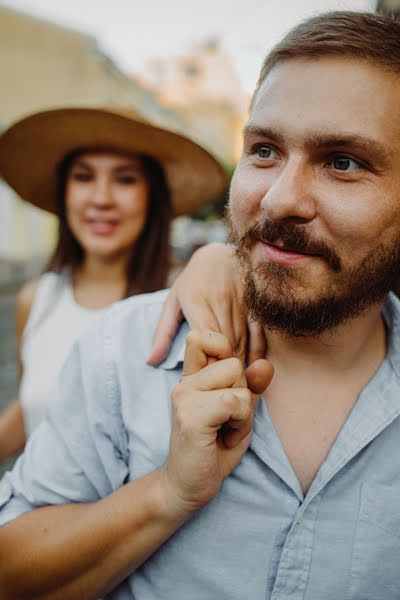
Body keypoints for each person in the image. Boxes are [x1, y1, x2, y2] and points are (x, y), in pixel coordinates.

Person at [1, 10, 400, 599]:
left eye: (343, 161)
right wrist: (168, 493)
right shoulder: (124, 349)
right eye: (264, 150)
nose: (280, 198)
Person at [0, 106, 226, 462]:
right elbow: (35, 409)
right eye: (83, 176)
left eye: (125, 179)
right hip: (41, 516)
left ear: (153, 195)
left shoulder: (186, 298)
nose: (101, 199)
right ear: (64, 192)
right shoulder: (37, 298)